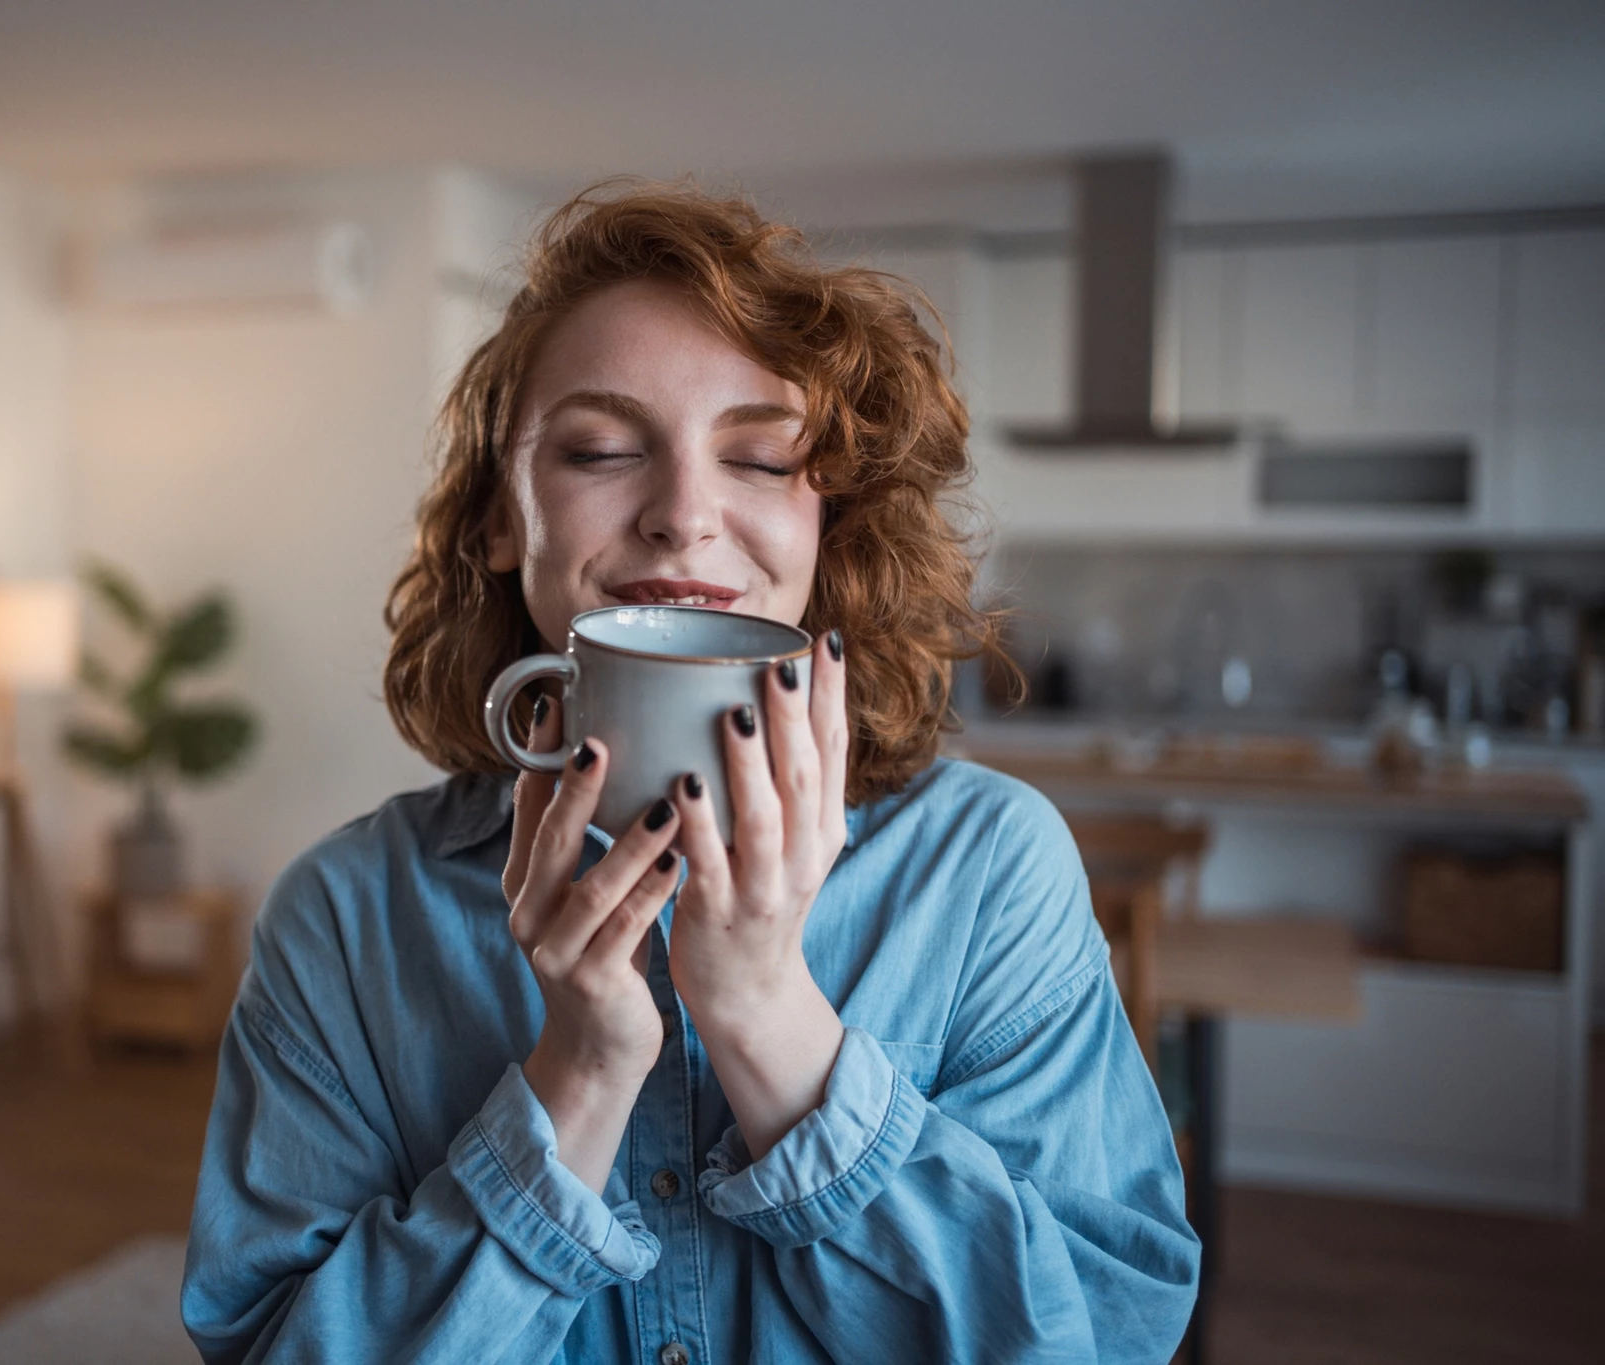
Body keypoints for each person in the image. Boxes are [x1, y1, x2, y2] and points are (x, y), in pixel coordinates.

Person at [182, 182, 1200, 1363]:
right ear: (501, 523)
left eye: (762, 458)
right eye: (601, 449)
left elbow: (1101, 1335)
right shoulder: (345, 917)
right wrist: (576, 1079)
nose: (682, 514)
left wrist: (770, 1018)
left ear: (830, 521)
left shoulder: (987, 873)